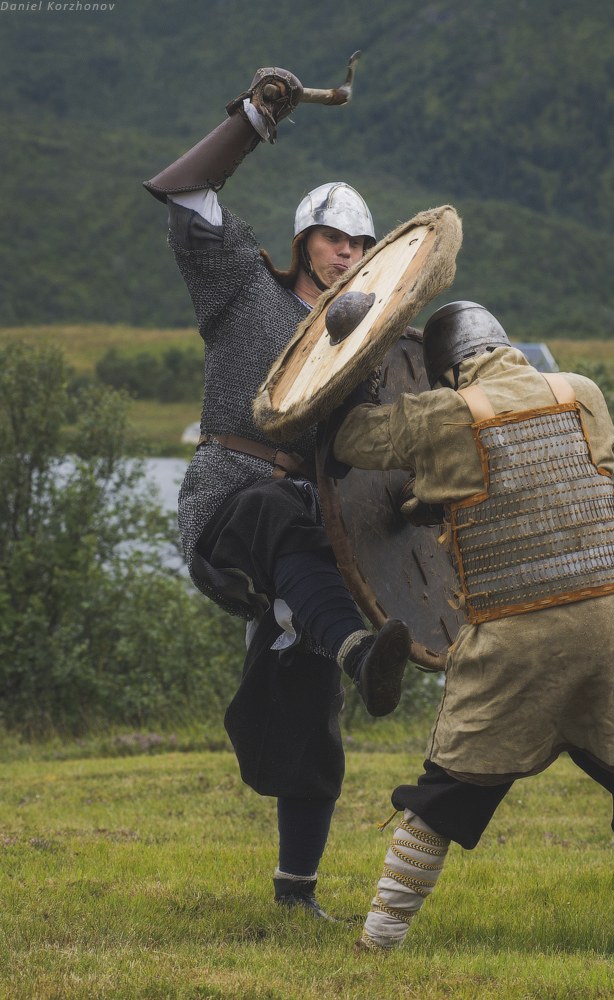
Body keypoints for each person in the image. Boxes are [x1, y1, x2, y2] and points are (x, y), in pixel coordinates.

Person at [331, 301, 614, 963]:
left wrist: (361, 368)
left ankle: (377, 941)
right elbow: (543, 484)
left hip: (513, 636)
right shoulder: (581, 393)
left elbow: (349, 441)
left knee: (443, 794)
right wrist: (438, 496)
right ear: (509, 348)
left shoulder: (444, 413)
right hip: (613, 625)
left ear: (444, 372)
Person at [142, 66, 411, 919]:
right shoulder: (240, 289)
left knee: (307, 717)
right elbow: (183, 189)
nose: (347, 254)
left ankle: (297, 894)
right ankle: (349, 643)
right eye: (334, 238)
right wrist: (256, 117)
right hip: (229, 512)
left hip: (310, 543)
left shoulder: (364, 357)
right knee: (270, 509)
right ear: (305, 241)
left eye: (361, 246)